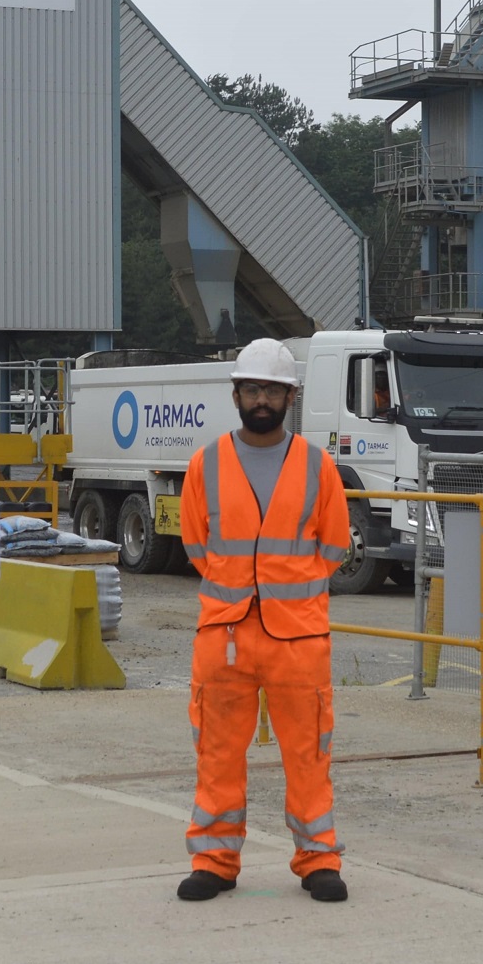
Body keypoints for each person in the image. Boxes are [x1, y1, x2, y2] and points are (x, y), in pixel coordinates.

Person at [176, 337, 354, 905]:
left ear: (289, 397)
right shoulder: (204, 465)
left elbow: (334, 547)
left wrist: (284, 593)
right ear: (236, 394)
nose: (261, 399)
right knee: (217, 753)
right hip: (224, 634)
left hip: (297, 637)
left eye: (272, 390)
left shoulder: (318, 466)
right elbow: (195, 544)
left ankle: (318, 859)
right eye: (252, 389)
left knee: (309, 754)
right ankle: (214, 860)